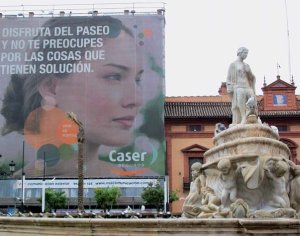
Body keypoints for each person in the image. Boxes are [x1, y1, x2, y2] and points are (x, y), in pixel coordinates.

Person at [0, 16, 162, 177]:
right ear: (51, 88)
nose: (136, 99)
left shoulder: (146, 185)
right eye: (114, 76)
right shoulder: (13, 191)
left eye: (137, 80)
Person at [226, 47, 256, 125]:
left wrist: (248, 72)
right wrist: (229, 87)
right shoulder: (233, 65)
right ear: (240, 53)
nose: (246, 55)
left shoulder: (247, 65)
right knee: (240, 101)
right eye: (245, 53)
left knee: (252, 100)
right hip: (238, 86)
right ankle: (243, 117)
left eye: (247, 53)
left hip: (247, 86)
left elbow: (252, 78)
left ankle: (250, 116)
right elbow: (228, 78)